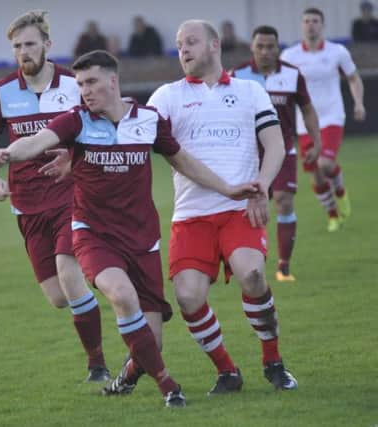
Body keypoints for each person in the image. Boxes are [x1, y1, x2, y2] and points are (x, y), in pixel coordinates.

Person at [0, 49, 262, 407]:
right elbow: (39, 140)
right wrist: (11, 152)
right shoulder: (76, 121)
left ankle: (126, 378)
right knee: (121, 295)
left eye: (92, 82)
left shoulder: (147, 120)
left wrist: (228, 189)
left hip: (142, 239)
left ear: (113, 81)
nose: (84, 90)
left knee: (152, 341)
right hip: (93, 235)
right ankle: (170, 387)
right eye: (81, 83)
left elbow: (182, 160)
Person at [103, 19, 295, 396]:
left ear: (214, 45)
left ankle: (273, 360)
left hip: (240, 207)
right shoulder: (167, 97)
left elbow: (274, 144)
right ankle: (227, 371)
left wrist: (262, 188)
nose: (183, 49)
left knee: (252, 276)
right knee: (189, 296)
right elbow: (127, 132)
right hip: (191, 214)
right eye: (178, 44)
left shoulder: (249, 91)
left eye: (191, 41)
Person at [0, 11, 110, 383]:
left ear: (48, 46)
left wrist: (73, 157)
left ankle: (97, 364)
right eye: (17, 46)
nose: (23, 51)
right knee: (58, 296)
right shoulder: (1, 91)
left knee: (69, 274)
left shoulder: (74, 84)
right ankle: (108, 284)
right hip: (27, 203)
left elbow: (102, 127)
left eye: (30, 44)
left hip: (73, 194)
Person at [231, 25, 322, 282]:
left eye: (270, 46)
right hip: (248, 154)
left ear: (278, 47)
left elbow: (307, 109)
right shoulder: (237, 75)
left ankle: (283, 266)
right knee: (246, 208)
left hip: (283, 151)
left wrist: (315, 142)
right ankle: (247, 261)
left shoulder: (292, 75)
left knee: (283, 200)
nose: (265, 51)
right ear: (252, 47)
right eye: (260, 46)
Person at [281, 8, 366, 232]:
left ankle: (341, 192)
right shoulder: (289, 56)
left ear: (322, 25)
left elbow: (354, 78)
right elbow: (279, 83)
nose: (311, 25)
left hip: (331, 116)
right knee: (317, 176)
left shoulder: (337, 51)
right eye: (307, 21)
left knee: (325, 164)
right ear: (302, 25)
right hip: (304, 122)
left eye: (315, 21)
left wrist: (358, 103)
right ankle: (332, 216)